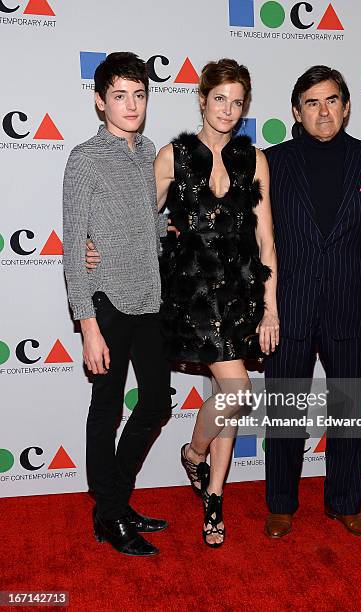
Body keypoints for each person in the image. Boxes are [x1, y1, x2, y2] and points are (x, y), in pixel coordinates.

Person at [86, 58, 279, 547]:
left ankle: (213, 498)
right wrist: (96, 244)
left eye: (238, 103)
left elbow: (266, 240)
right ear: (202, 99)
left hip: (240, 295)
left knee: (228, 401)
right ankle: (194, 455)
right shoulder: (171, 154)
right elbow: (136, 219)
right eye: (220, 99)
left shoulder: (254, 159)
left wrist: (271, 307)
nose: (228, 110)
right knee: (238, 393)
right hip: (191, 297)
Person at [263, 65, 361, 540]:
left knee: (348, 411)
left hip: (352, 304)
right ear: (296, 113)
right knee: (284, 411)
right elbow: (252, 236)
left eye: (331, 100)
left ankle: (345, 503)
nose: (324, 111)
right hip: (289, 307)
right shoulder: (271, 162)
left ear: (346, 104)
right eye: (312, 102)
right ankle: (281, 504)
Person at [63, 52, 171, 557]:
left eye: (140, 94)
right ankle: (109, 512)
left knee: (155, 403)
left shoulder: (149, 151)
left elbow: (147, 224)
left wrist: (164, 233)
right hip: (106, 301)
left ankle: (113, 502)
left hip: (150, 299)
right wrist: (87, 325)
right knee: (105, 409)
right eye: (121, 95)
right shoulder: (85, 158)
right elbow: (71, 244)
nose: (131, 105)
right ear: (100, 100)